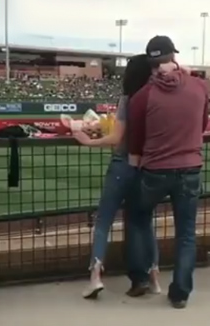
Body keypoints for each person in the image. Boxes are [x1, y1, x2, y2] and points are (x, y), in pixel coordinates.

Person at [127, 36, 209, 309]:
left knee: (139, 218)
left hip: (154, 169)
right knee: (185, 233)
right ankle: (180, 293)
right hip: (190, 166)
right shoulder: (198, 86)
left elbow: (136, 139)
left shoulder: (142, 96)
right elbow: (203, 122)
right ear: (174, 57)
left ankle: (140, 279)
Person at [72, 54, 161, 299]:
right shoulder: (158, 98)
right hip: (146, 167)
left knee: (103, 222)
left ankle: (95, 277)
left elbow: (117, 139)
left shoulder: (128, 99)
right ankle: (154, 278)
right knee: (145, 223)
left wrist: (89, 142)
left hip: (122, 165)